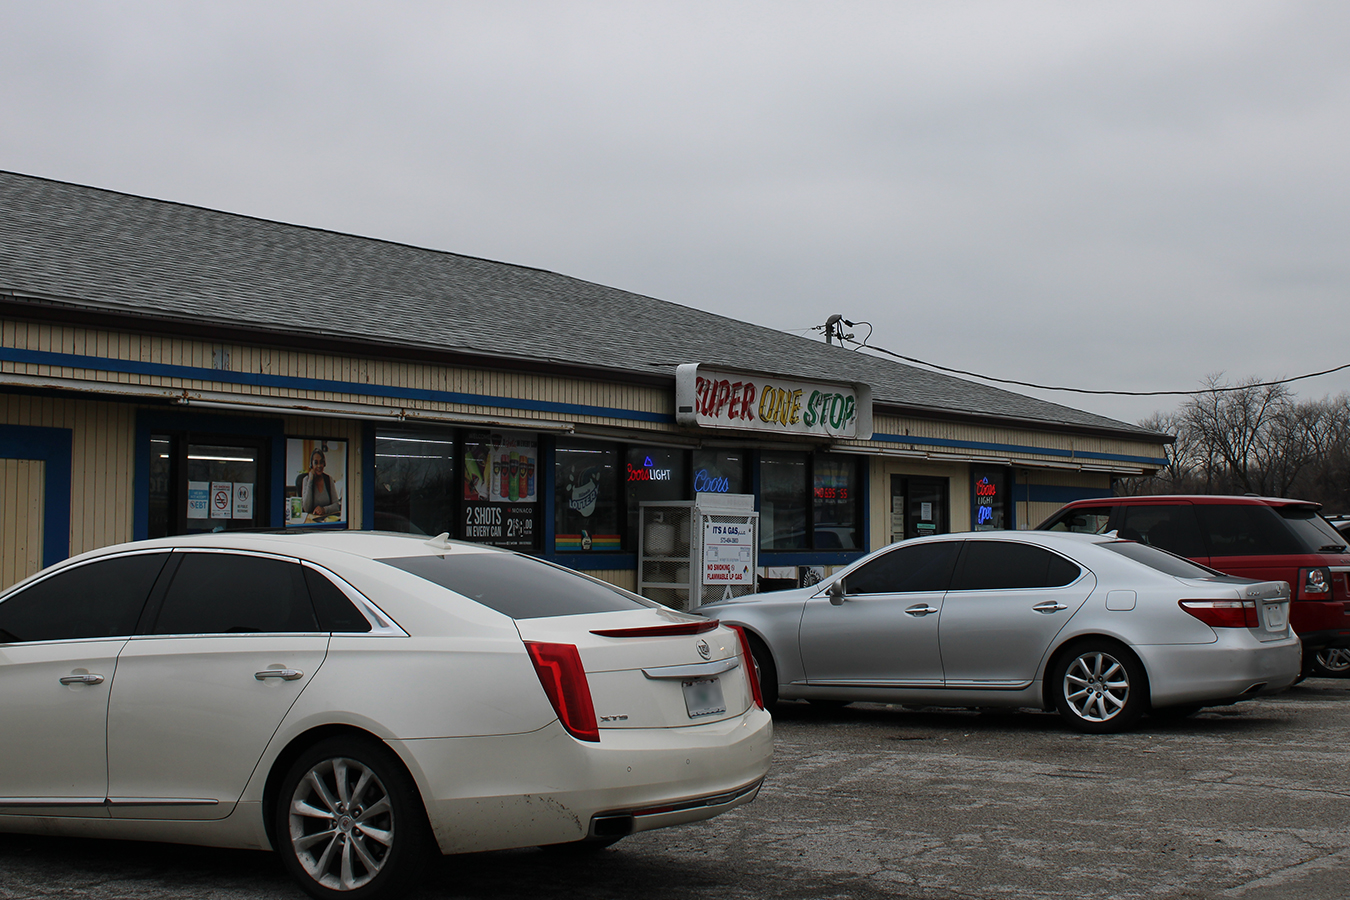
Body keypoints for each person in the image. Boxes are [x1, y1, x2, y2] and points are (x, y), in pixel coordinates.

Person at [300, 449, 342, 518]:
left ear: (324, 463)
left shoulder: (329, 479)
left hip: (326, 519)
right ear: (311, 465)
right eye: (316, 463)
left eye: (321, 462)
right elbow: (306, 508)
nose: (319, 466)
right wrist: (310, 480)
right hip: (311, 521)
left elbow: (336, 505)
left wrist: (324, 509)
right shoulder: (306, 480)